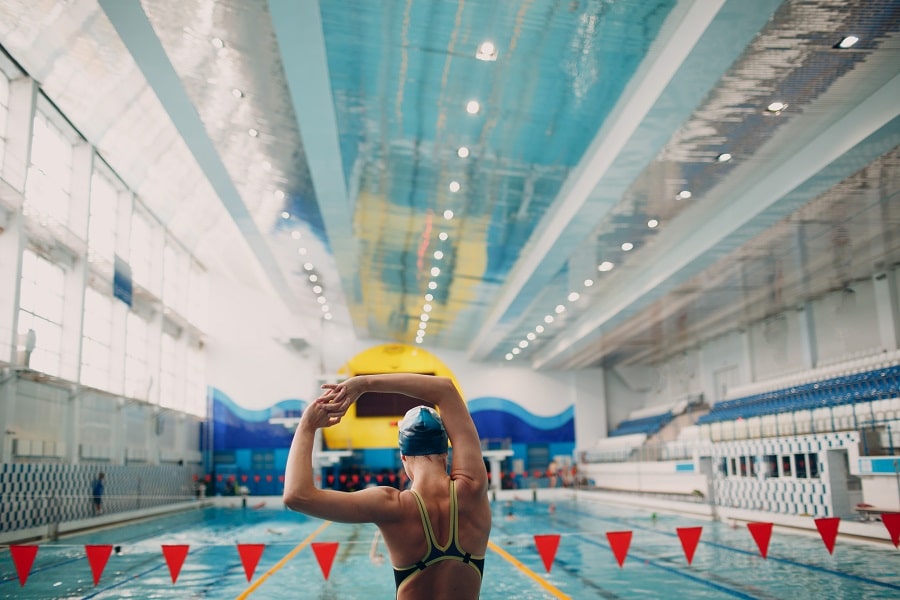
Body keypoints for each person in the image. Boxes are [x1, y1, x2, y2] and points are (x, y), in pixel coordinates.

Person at [284, 374, 491, 600]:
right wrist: (364, 384)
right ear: (445, 453)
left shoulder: (391, 506)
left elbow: (296, 496)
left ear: (403, 456)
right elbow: (445, 388)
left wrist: (306, 426)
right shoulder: (473, 488)